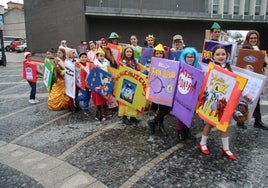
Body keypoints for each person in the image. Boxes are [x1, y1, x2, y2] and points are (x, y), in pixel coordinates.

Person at [199, 45, 236, 160]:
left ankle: (226, 148)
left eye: (223, 54)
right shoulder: (211, 68)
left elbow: (235, 85)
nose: (221, 56)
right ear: (213, 56)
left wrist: (246, 95)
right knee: (209, 123)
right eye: (218, 54)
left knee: (224, 126)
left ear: (227, 55)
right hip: (212, 100)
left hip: (224, 102)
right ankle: (202, 143)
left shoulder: (230, 69)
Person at [236, 30, 268, 130]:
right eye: (251, 38)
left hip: (256, 78)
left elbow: (262, 64)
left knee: (256, 99)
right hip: (247, 78)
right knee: (243, 100)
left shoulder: (259, 49)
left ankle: (257, 120)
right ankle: (240, 120)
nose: (253, 40)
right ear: (248, 39)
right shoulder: (245, 48)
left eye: (255, 38)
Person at [177, 47, 201, 141]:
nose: (190, 59)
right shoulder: (181, 66)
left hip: (192, 94)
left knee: (189, 114)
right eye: (188, 57)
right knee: (181, 113)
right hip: (181, 93)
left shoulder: (197, 68)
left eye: (192, 57)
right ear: (185, 57)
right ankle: (179, 132)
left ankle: (187, 132)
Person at [147, 44, 170, 134]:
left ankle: (155, 123)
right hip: (156, 88)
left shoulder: (167, 63)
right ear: (154, 54)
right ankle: (158, 125)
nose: (159, 55)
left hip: (165, 89)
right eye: (157, 53)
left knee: (165, 108)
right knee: (161, 108)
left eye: (160, 53)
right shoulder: (152, 63)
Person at [119, 46, 143, 125]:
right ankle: (124, 117)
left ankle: (132, 116)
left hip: (134, 84)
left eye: (130, 52)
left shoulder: (134, 61)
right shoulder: (122, 62)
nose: (129, 53)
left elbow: (138, 70)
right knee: (125, 100)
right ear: (124, 53)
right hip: (125, 84)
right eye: (127, 52)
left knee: (133, 100)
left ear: (132, 53)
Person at [92, 48, 111, 121]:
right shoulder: (94, 63)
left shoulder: (107, 62)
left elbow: (109, 71)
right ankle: (100, 113)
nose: (102, 57)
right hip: (98, 82)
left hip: (106, 81)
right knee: (99, 97)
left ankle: (105, 110)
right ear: (97, 56)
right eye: (100, 56)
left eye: (103, 56)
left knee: (105, 96)